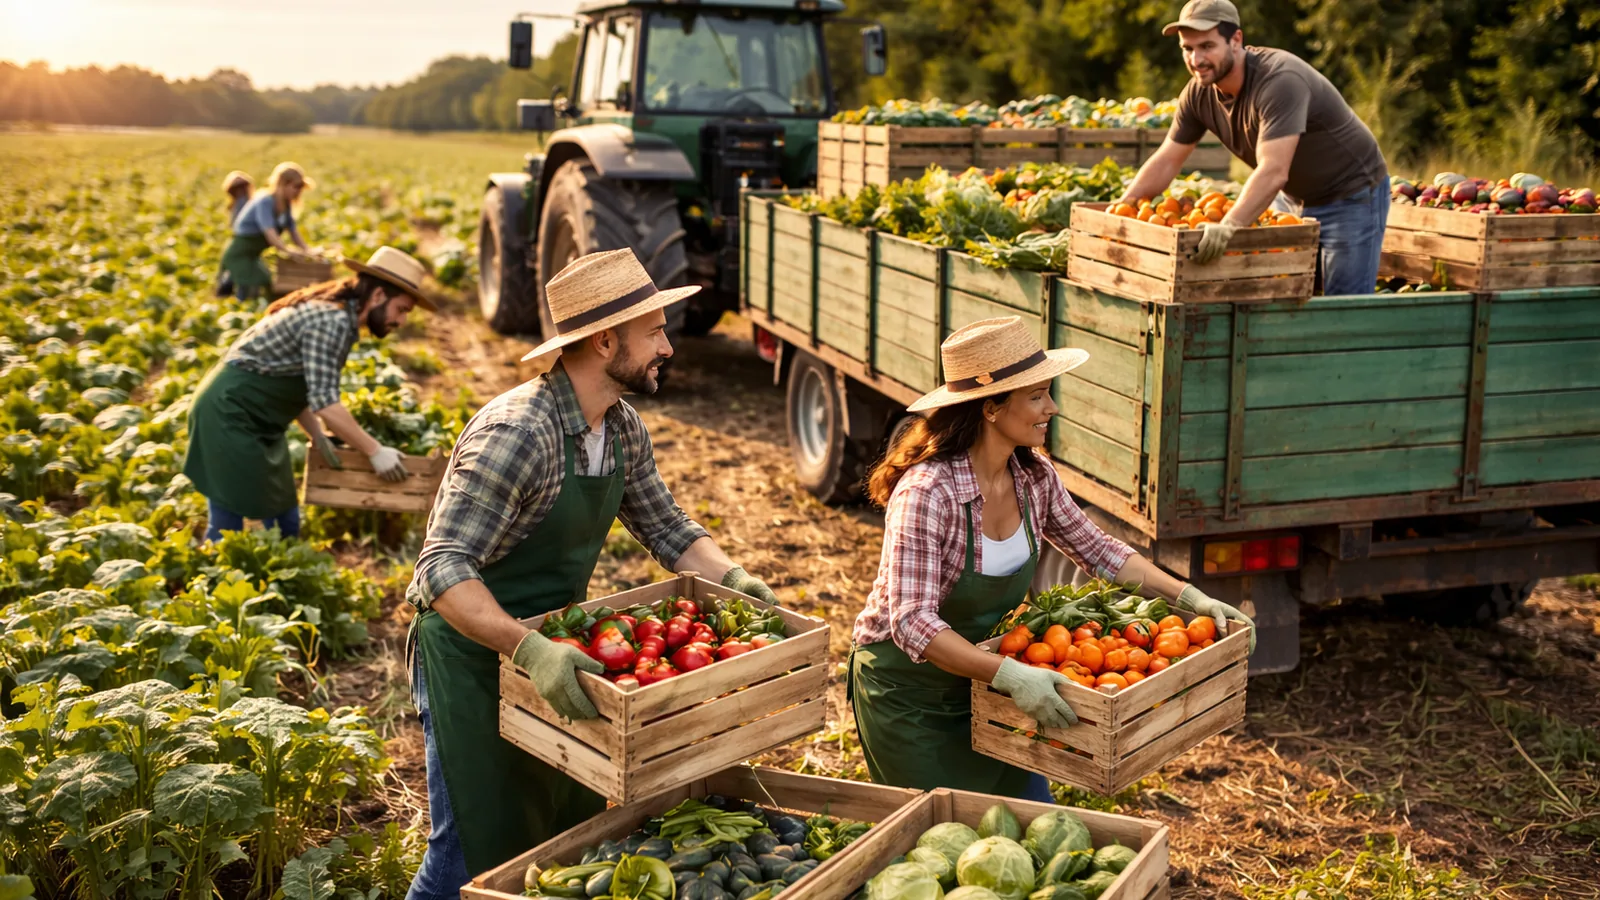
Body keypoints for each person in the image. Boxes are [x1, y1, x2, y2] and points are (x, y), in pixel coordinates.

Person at [403, 248, 781, 898]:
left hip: (560, 658)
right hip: (476, 658)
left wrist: (734, 578)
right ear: (606, 341)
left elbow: (668, 529)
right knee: (470, 851)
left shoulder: (622, 428)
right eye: (655, 331)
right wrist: (528, 648)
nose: (668, 344)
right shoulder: (520, 433)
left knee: (554, 840)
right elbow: (440, 571)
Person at [848, 316, 1256, 799]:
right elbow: (912, 622)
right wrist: (1011, 674)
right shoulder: (928, 494)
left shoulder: (1032, 477)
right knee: (941, 843)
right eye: (1037, 396)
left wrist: (1190, 597)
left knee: (1032, 822)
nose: (1053, 407)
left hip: (996, 685)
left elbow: (1101, 552)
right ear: (991, 407)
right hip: (911, 697)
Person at [1114, 0, 1390, 295]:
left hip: (1351, 195)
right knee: (1281, 296)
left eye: (1207, 46)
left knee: (1342, 309)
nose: (1196, 59)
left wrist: (1229, 225)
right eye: (1188, 49)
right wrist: (1120, 210)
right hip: (1290, 198)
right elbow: (1167, 159)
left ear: (1236, 40)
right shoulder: (1198, 94)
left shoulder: (1279, 81)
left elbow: (1273, 170)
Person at [183, 247, 434, 542]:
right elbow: (326, 403)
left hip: (258, 420)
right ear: (378, 296)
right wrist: (374, 451)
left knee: (284, 517)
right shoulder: (332, 321)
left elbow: (299, 384)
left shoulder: (340, 319)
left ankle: (274, 575)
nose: (402, 321)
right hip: (228, 415)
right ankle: (214, 576)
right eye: (401, 309)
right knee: (227, 523)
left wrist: (317, 435)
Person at [220, 161, 318, 301]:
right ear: (283, 184)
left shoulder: (285, 205)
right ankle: (242, 312)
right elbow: (270, 234)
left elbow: (294, 233)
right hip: (239, 254)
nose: (298, 191)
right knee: (252, 284)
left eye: (301, 187)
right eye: (296, 187)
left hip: (253, 256)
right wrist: (289, 251)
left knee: (266, 282)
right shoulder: (265, 202)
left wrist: (309, 251)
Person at [216, 170, 254, 298]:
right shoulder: (240, 202)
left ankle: (228, 292)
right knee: (236, 271)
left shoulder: (243, 202)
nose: (240, 191)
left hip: (243, 243)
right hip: (241, 243)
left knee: (234, 270)